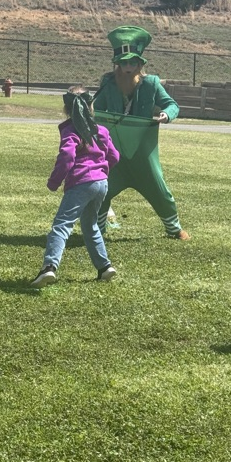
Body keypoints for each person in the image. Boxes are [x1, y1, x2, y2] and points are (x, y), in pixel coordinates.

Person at [93, 26, 190, 240]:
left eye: (132, 63)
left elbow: (171, 104)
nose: (128, 68)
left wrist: (166, 114)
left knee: (159, 190)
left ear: (139, 64)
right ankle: (98, 230)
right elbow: (97, 109)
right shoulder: (108, 83)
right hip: (113, 152)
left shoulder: (151, 84)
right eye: (123, 63)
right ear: (117, 65)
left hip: (143, 154)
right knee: (102, 190)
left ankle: (174, 229)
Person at [31, 86, 120, 287]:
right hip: (101, 184)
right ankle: (104, 267)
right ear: (91, 107)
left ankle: (49, 267)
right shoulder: (101, 131)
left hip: (81, 183)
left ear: (67, 109)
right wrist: (102, 172)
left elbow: (67, 157)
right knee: (90, 225)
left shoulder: (71, 130)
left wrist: (54, 181)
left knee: (62, 226)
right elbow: (114, 156)